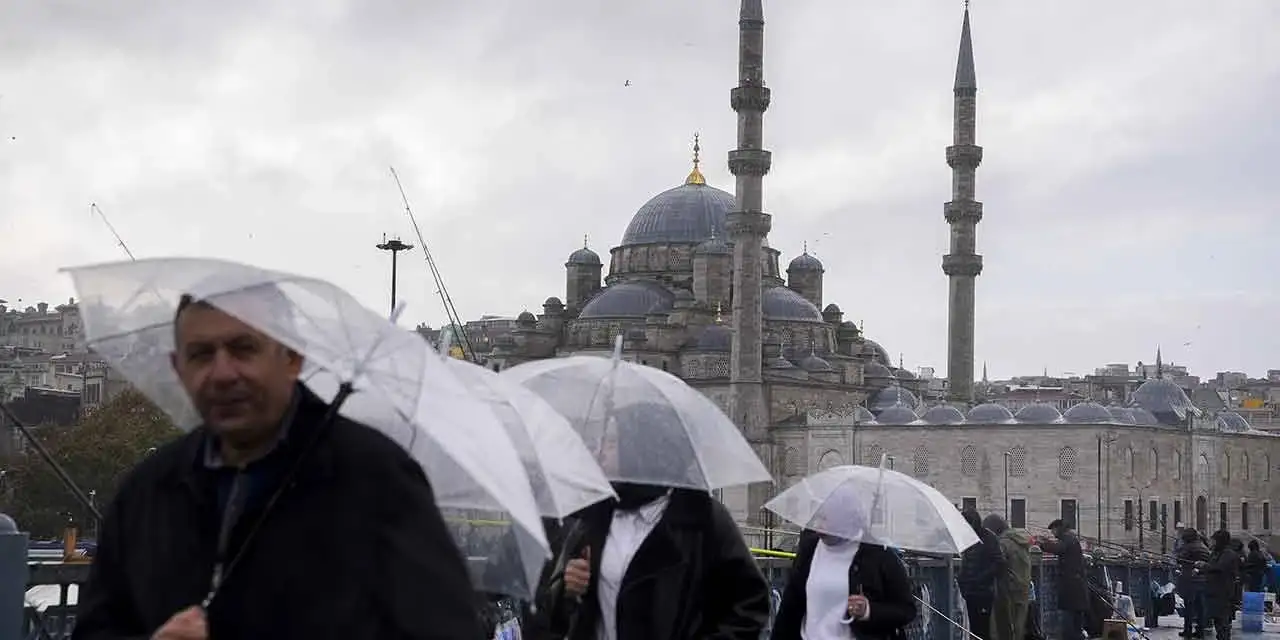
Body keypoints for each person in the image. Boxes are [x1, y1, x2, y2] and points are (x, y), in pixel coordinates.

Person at [72, 289, 484, 639]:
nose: (222, 373)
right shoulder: (148, 491)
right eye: (201, 354)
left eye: (243, 349)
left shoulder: (377, 480)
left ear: (292, 358)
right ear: (178, 368)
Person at [543, 401, 770, 640]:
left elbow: (749, 606)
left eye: (612, 443)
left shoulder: (700, 519)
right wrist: (567, 589)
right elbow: (555, 611)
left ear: (640, 449)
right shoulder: (595, 517)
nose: (601, 453)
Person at [769, 487, 917, 640]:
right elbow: (790, 606)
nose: (818, 526)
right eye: (817, 518)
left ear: (847, 520)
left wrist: (868, 611)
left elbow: (906, 610)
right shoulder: (809, 549)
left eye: (825, 519)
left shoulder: (879, 556)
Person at [983, 514, 1032, 640]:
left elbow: (995, 560)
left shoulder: (1004, 543)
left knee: (1002, 629)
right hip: (1023, 588)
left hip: (1008, 590)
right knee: (1018, 627)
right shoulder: (1020, 541)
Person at [1039, 519, 1089, 640]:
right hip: (1077, 588)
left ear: (1058, 528)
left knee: (1069, 625)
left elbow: (1058, 548)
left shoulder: (1067, 538)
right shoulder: (1071, 538)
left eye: (1053, 530)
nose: (1053, 533)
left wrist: (1041, 544)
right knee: (1077, 623)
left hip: (1071, 590)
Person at [957, 509, 1002, 640]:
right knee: (970, 627)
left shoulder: (988, 538)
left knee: (981, 629)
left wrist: (981, 578)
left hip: (983, 592)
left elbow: (998, 562)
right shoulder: (966, 538)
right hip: (967, 591)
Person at [1201, 530, 1241, 640]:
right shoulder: (1215, 553)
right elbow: (1211, 566)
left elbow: (1219, 568)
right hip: (1213, 592)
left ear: (1220, 541)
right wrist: (1201, 569)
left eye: (1214, 540)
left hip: (1223, 593)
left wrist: (1204, 566)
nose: (1212, 543)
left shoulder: (1229, 554)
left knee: (1223, 622)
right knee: (1217, 622)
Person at [1176, 528, 1211, 639]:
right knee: (1200, 607)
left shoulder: (1188, 547)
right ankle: (1200, 630)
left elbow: (1180, 559)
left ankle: (1188, 630)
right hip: (1203, 580)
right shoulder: (1204, 547)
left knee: (1189, 607)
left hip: (1190, 580)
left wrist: (1180, 549)